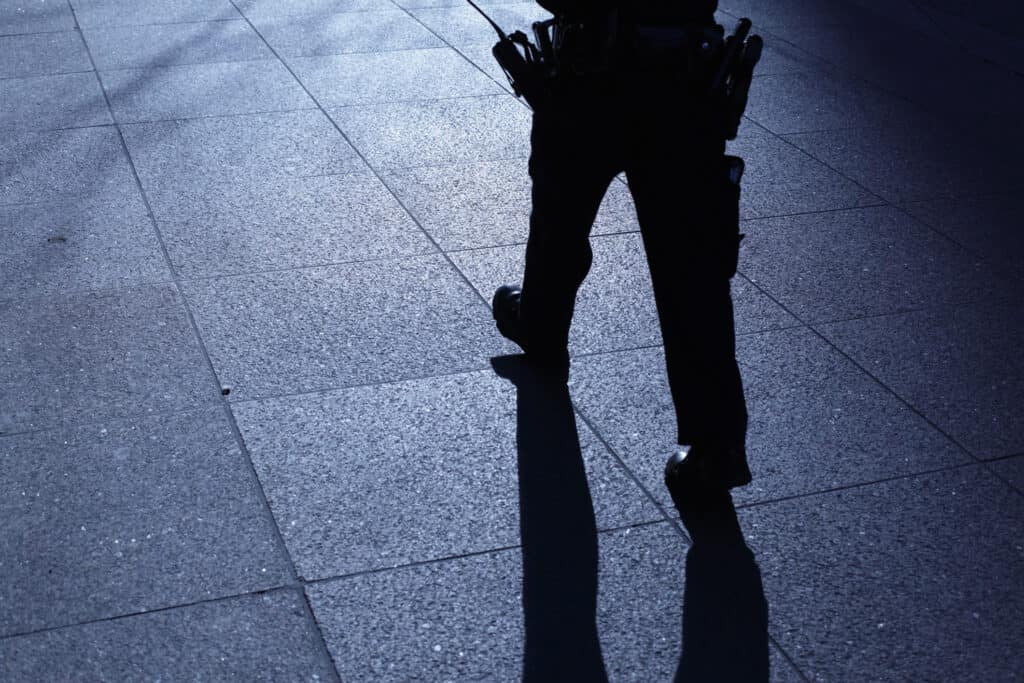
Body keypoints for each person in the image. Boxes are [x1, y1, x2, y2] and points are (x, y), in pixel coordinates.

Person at [491, 0, 754, 492]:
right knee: (691, 263)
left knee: (560, 212)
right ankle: (715, 447)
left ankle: (542, 328)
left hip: (589, 71)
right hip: (686, 72)